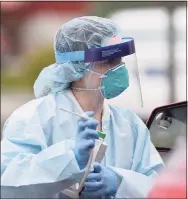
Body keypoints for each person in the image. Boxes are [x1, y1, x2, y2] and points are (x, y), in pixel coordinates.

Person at [1, 16, 164, 198]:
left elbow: (161, 187)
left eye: (119, 60)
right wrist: (69, 158)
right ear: (77, 67)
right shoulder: (34, 117)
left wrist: (120, 182)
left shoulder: (129, 124)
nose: (119, 68)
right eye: (108, 61)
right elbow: (8, 184)